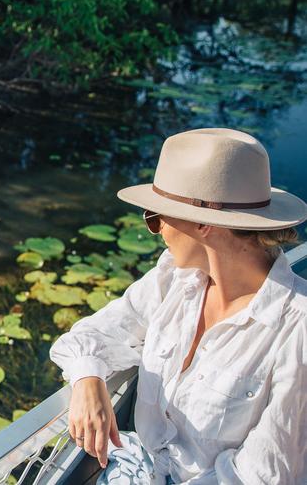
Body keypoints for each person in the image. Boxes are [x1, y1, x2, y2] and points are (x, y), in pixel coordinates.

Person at [49, 128, 307, 484]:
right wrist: (89, 379)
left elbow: (265, 474)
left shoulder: (297, 331)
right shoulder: (175, 278)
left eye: (155, 217)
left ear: (204, 224)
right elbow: (88, 336)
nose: (155, 231)